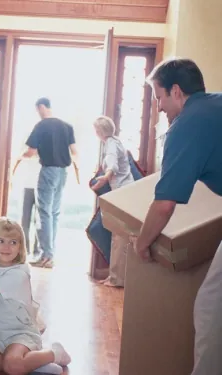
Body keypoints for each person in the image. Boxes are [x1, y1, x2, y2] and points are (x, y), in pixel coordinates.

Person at [130, 58, 222, 375]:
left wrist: (142, 245)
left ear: (177, 91)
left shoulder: (187, 125)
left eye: (159, 97)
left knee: (212, 307)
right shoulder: (216, 105)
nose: (159, 108)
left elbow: (165, 204)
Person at [0, 217, 71, 375]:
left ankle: (54, 353)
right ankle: (32, 363)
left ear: (20, 247)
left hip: (20, 335)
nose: (6, 247)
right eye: (0, 241)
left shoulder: (18, 275)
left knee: (13, 367)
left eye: (13, 242)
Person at [18, 97, 78, 268]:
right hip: (62, 173)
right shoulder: (67, 126)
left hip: (48, 170)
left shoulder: (42, 126)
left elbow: (31, 151)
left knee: (43, 212)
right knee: (54, 212)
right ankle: (50, 254)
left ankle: (46, 255)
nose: (38, 113)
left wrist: (19, 156)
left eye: (38, 110)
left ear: (42, 107)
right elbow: (74, 152)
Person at [92, 115, 134, 287]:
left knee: (120, 236)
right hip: (125, 192)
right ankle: (115, 276)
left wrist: (105, 178)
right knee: (118, 235)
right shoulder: (115, 142)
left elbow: (113, 166)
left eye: (96, 130)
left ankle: (117, 278)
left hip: (123, 193)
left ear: (100, 131)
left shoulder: (110, 144)